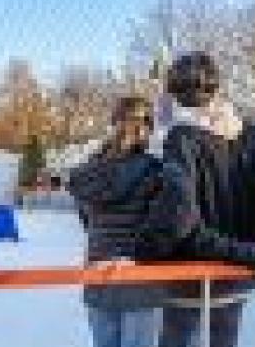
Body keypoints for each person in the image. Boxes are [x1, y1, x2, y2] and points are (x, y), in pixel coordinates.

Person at [159, 51, 255, 347]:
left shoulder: (179, 137)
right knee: (224, 337)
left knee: (177, 338)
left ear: (176, 95)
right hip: (239, 269)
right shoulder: (248, 133)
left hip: (192, 273)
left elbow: (180, 220)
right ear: (217, 89)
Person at [68, 95, 193, 347]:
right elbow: (174, 219)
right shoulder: (159, 171)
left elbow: (86, 220)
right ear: (147, 129)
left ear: (114, 125)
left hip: (98, 273)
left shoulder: (89, 172)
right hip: (141, 277)